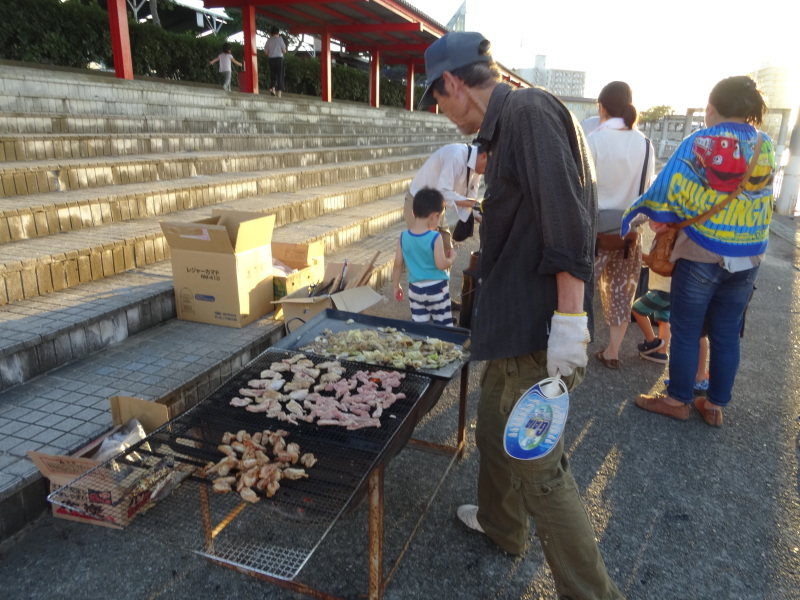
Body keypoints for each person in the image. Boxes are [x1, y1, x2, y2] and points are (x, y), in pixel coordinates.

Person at [418, 31, 623, 599]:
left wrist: (571, 325)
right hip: (511, 322)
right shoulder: (508, 125)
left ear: (454, 83)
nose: (440, 110)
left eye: (437, 97)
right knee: (491, 428)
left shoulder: (529, 112)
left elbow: (567, 226)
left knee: (540, 470)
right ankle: (503, 527)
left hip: (540, 327)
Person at [622, 75, 775, 427]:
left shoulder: (700, 141)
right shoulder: (765, 145)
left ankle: (677, 400)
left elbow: (670, 188)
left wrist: (644, 216)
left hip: (702, 251)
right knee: (726, 332)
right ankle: (715, 405)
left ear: (712, 107)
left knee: (687, 329)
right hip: (749, 255)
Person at [589, 81, 655, 369]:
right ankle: (612, 351)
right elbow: (648, 190)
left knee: (578, 289)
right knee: (621, 293)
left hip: (594, 232)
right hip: (630, 234)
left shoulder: (592, 140)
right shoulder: (646, 144)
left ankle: (571, 349)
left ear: (602, 107)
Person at [404, 142, 488, 251]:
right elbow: (443, 192)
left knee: (447, 249)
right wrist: (472, 203)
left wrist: (485, 219)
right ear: (484, 156)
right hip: (418, 204)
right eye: (489, 166)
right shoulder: (455, 155)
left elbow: (472, 198)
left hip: (437, 207)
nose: (487, 172)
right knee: (427, 253)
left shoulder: (477, 169)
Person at [392, 187, 457, 325]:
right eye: (439, 217)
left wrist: (396, 285)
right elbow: (441, 264)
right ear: (434, 216)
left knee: (420, 327)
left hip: (415, 289)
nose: (438, 221)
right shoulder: (435, 237)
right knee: (444, 326)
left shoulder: (403, 237)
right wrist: (451, 258)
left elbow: (398, 263)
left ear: (413, 212)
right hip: (436, 289)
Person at [632, 223, 672, 364]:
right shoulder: (668, 234)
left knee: (637, 309)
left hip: (662, 288)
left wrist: (639, 254)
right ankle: (661, 352)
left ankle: (652, 341)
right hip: (669, 288)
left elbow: (658, 261)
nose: (654, 224)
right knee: (663, 320)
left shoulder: (669, 237)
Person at [264, 27, 287, 97]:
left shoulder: (268, 41)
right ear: (278, 33)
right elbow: (284, 51)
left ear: (271, 33)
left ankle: (272, 89)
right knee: (280, 75)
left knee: (273, 74)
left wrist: (271, 54)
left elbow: (265, 52)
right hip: (279, 59)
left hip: (271, 59)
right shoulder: (280, 39)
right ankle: (279, 93)